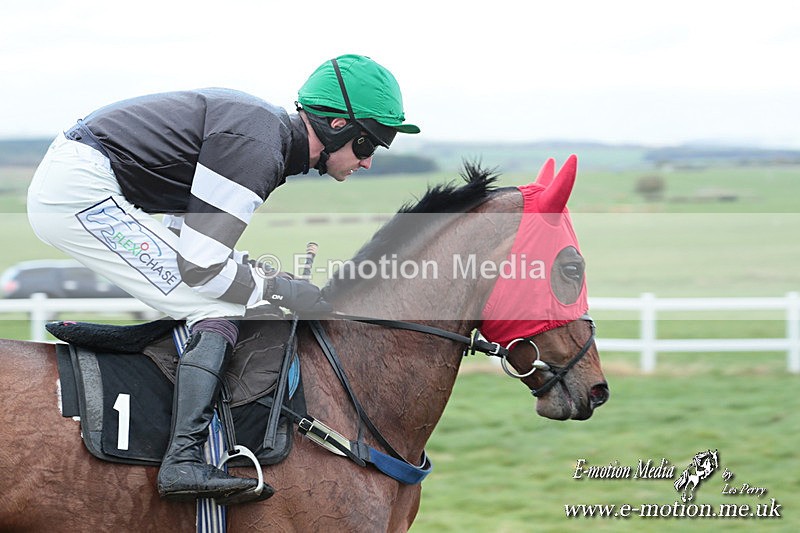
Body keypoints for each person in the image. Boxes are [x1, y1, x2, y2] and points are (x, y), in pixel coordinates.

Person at [26, 54, 419, 504]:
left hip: (83, 180)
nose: (367, 163)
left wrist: (267, 280)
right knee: (218, 301)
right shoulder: (259, 147)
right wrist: (278, 289)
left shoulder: (264, 137)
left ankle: (127, 345)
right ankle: (182, 461)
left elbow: (190, 239)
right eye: (368, 146)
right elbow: (201, 266)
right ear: (337, 126)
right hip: (79, 192)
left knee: (214, 292)